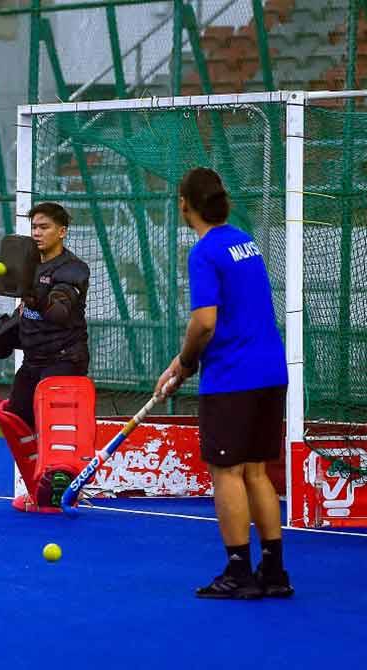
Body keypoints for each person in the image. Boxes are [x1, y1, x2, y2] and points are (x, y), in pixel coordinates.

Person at [154, 167, 292, 599]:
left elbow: (205, 322)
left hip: (234, 376)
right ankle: (274, 572)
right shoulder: (244, 242)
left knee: (227, 472)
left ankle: (238, 573)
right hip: (271, 370)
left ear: (184, 204)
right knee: (256, 471)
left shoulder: (204, 251)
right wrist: (186, 360)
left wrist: (186, 361)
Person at [7, 202, 91, 431]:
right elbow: (26, 313)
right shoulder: (29, 265)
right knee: (16, 421)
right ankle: (34, 468)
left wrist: (35, 297)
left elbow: (59, 313)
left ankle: (59, 469)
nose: (36, 233)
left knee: (55, 430)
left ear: (62, 231)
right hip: (33, 360)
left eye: (44, 227)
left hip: (63, 361)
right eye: (34, 227)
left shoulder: (74, 269)